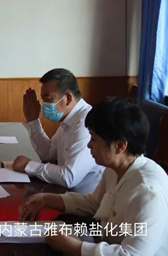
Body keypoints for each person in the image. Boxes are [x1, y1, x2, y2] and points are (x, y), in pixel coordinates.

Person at [19, 98, 168, 256]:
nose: (89, 145)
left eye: (94, 139)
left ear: (119, 146)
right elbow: (94, 203)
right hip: (104, 240)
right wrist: (46, 199)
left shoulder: (147, 192)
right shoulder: (116, 168)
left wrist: (74, 247)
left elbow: (133, 254)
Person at [13, 68, 103, 191]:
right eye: (43, 99)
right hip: (67, 194)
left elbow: (69, 177)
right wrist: (33, 120)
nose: (44, 104)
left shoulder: (85, 122)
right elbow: (48, 154)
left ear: (68, 98)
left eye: (48, 98)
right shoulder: (70, 118)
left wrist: (28, 165)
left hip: (83, 199)